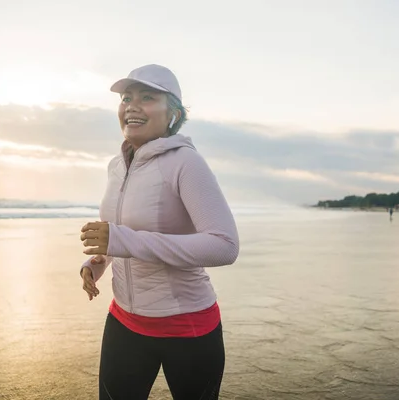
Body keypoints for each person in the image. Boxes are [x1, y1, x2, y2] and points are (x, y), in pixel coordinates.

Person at [78, 64, 240, 400]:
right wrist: (98, 262)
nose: (132, 105)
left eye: (147, 97)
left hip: (188, 327)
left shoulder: (185, 163)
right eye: (126, 98)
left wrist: (123, 241)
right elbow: (121, 236)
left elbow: (224, 245)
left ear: (174, 114)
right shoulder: (116, 166)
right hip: (124, 322)